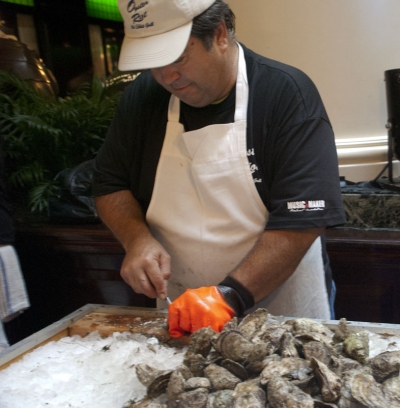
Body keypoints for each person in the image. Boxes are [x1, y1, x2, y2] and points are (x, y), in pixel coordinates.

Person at [93, 0, 346, 338]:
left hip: (284, 309)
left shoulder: (285, 94)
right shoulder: (143, 99)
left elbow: (301, 221)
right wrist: (136, 239)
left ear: (220, 34)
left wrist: (228, 296)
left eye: (179, 57)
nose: (167, 76)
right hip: (184, 309)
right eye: (154, 62)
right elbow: (110, 184)